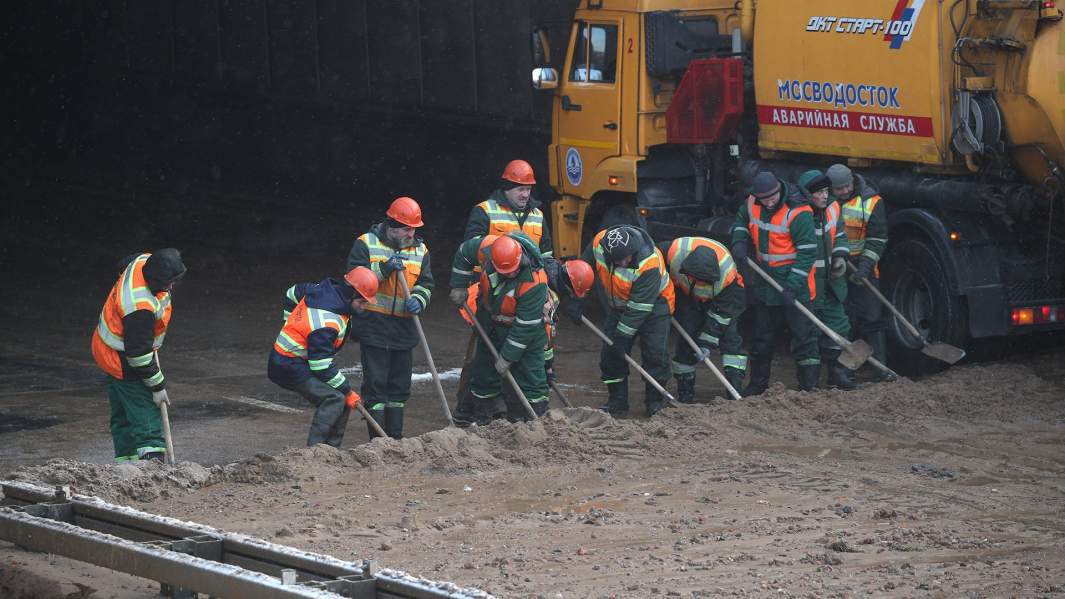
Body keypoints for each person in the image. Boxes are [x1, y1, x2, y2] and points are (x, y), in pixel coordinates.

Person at [346, 197, 434, 439]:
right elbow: (354, 284)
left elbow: (426, 283)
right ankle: (378, 440)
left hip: (404, 329)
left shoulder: (420, 250)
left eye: (414, 228)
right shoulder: (366, 244)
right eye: (406, 228)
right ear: (392, 226)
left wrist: (419, 299)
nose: (411, 233)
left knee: (399, 388)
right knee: (376, 386)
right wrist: (383, 271)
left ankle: (394, 438)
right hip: (374, 326)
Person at [91, 249, 187, 462]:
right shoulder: (139, 308)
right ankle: (153, 461)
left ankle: (126, 465)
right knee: (145, 409)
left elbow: (122, 265)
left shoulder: (141, 261)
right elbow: (138, 356)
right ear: (154, 279)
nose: (171, 287)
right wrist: (157, 386)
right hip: (121, 357)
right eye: (168, 283)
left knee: (123, 413)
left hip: (106, 346)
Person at [730, 171, 820, 395]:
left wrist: (793, 285)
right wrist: (739, 240)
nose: (769, 202)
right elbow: (742, 219)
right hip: (765, 282)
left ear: (780, 191)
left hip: (794, 284)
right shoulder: (753, 202)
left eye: (772, 197)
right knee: (762, 336)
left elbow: (807, 253)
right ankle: (758, 385)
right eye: (764, 199)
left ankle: (809, 388)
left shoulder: (799, 213)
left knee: (804, 337)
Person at [268, 267, 378, 447]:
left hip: (299, 360)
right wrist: (348, 390)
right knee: (334, 398)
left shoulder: (321, 289)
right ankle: (315, 453)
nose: (365, 307)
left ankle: (331, 452)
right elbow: (321, 366)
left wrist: (289, 320)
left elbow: (291, 293)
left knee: (341, 400)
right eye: (362, 302)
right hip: (286, 365)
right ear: (351, 294)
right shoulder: (327, 322)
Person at [581, 224, 675, 416]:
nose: (625, 262)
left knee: (655, 354)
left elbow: (639, 308)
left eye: (628, 257)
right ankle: (617, 401)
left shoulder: (649, 262)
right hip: (619, 304)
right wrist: (576, 297)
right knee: (611, 355)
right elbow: (583, 269)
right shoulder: (599, 243)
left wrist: (622, 337)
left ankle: (654, 401)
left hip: (654, 305)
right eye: (620, 259)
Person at [467, 234, 551, 419]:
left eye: (513, 270)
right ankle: (486, 417)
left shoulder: (534, 281)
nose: (511, 274)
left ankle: (533, 418)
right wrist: (458, 285)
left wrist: (507, 357)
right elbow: (464, 253)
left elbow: (524, 328)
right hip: (491, 321)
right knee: (484, 372)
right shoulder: (487, 251)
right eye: (505, 272)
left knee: (530, 375)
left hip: (525, 329)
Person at [827, 164, 896, 382]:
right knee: (845, 320)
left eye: (847, 186)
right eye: (839, 189)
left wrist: (865, 267)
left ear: (853, 181)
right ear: (830, 189)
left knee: (872, 318)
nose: (845, 191)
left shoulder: (872, 202)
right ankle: (845, 370)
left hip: (863, 265)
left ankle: (881, 368)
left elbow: (877, 239)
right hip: (838, 268)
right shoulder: (824, 202)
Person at [659, 236, 747, 401]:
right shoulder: (671, 253)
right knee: (687, 338)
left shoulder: (727, 277)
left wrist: (707, 342)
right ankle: (685, 394)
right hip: (688, 297)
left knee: (730, 340)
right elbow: (652, 265)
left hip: (723, 300)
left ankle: (734, 391)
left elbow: (721, 315)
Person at [798, 170, 857, 390]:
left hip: (831, 283)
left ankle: (838, 375)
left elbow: (839, 233)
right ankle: (809, 383)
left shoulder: (833, 207)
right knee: (807, 333)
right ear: (807, 194)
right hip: (809, 285)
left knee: (839, 324)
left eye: (826, 191)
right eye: (819, 192)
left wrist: (840, 255)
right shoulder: (798, 214)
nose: (825, 196)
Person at [464, 160, 553, 259]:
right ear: (507, 189)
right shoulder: (484, 210)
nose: (525, 195)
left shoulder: (538, 215)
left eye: (528, 189)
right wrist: (504, 248)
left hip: (529, 274)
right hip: (490, 273)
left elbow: (546, 255)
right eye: (520, 189)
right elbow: (470, 249)